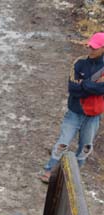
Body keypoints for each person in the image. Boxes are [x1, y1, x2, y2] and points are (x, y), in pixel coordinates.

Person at [40, 32, 104, 183]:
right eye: (90, 46)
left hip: (93, 116)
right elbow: (73, 88)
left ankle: (73, 176)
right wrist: (94, 86)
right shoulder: (79, 63)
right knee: (63, 143)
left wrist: (85, 84)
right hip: (74, 113)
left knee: (85, 148)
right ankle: (50, 170)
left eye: (95, 48)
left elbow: (100, 89)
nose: (91, 50)